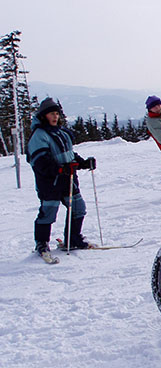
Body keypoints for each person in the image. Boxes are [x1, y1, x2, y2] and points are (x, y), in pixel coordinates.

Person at [26, 97, 97, 259]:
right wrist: (60, 169)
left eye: (57, 113)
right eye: (51, 114)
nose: (55, 117)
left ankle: (73, 239)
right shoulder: (39, 135)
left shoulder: (61, 132)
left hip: (68, 180)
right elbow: (40, 162)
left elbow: (69, 155)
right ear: (44, 116)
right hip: (50, 183)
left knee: (78, 208)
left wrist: (83, 163)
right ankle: (42, 242)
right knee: (49, 212)